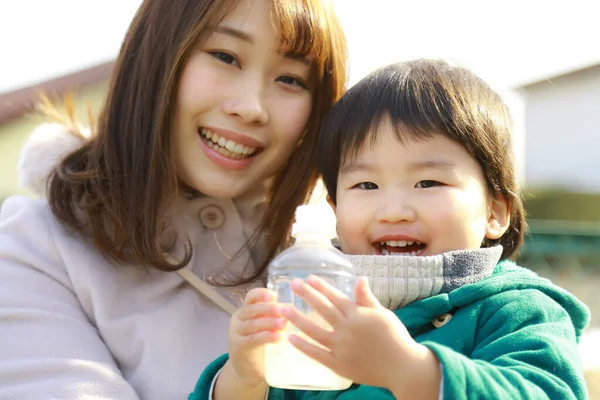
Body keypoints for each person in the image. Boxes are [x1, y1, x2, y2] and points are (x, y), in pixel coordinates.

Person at [0, 0, 347, 398]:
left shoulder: (348, 247)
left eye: (291, 79)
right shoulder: (34, 250)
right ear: (155, 56)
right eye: (225, 56)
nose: (252, 108)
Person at [191, 59, 590, 399]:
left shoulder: (515, 310)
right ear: (333, 209)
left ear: (495, 212)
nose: (393, 211)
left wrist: (410, 370)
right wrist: (244, 376)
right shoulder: (316, 305)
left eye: (428, 183)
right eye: (366, 185)